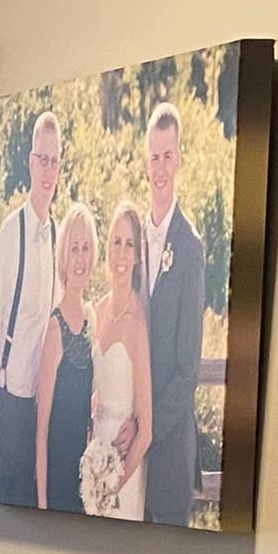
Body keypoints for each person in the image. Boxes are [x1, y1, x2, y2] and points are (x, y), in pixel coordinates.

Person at [0, 112, 62, 504]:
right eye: (43, 159)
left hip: (37, 413)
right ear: (30, 161)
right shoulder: (11, 233)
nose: (49, 170)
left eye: (55, 161)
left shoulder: (57, 234)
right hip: (7, 408)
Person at [136, 103, 208, 526]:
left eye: (168, 155)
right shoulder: (133, 239)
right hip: (131, 453)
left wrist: (148, 430)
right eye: (154, 156)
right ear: (146, 163)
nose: (160, 166)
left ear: (178, 158)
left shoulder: (191, 247)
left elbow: (187, 368)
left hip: (167, 453)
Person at [80, 205, 154, 521]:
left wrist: (111, 490)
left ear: (137, 256)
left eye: (129, 244)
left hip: (123, 468)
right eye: (115, 242)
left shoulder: (137, 323)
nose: (121, 254)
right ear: (106, 248)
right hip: (93, 459)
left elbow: (146, 431)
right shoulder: (95, 312)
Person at [32, 205, 98, 513]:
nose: (80, 258)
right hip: (57, 480)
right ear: (63, 257)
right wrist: (43, 503)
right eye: (74, 248)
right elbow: (41, 427)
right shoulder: (55, 328)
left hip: (84, 479)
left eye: (85, 248)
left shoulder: (92, 320)